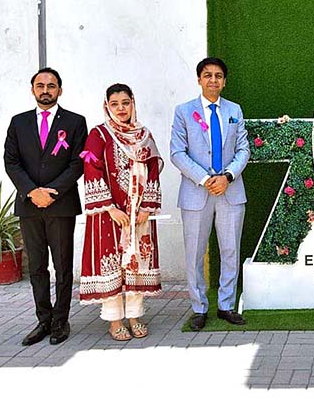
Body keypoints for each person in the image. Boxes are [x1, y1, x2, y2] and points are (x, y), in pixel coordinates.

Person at [4, 68, 87, 346]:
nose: (46, 90)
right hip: (29, 206)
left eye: (51, 85)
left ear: (60, 90)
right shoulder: (19, 123)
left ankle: (61, 321)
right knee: (37, 267)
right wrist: (31, 191)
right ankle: (44, 319)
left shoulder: (75, 122)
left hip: (60, 205)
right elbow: (11, 161)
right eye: (40, 85)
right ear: (32, 90)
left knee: (63, 266)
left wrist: (51, 192)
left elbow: (78, 162)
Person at [78, 84, 163, 341]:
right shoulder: (99, 135)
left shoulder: (143, 135)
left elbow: (153, 170)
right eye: (115, 104)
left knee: (138, 261)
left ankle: (135, 315)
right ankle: (115, 320)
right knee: (111, 263)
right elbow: (91, 169)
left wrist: (147, 207)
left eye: (125, 102)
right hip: (109, 214)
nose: (121, 108)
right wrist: (110, 208)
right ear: (107, 106)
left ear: (133, 103)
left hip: (138, 214)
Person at [170, 57, 249, 331]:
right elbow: (177, 153)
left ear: (224, 81)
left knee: (230, 250)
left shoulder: (234, 110)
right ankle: (199, 308)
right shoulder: (183, 112)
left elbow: (243, 150)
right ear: (199, 79)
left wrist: (227, 176)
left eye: (218, 76)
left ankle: (226, 305)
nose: (213, 80)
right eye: (207, 75)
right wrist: (205, 179)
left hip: (230, 191)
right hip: (196, 193)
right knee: (195, 253)